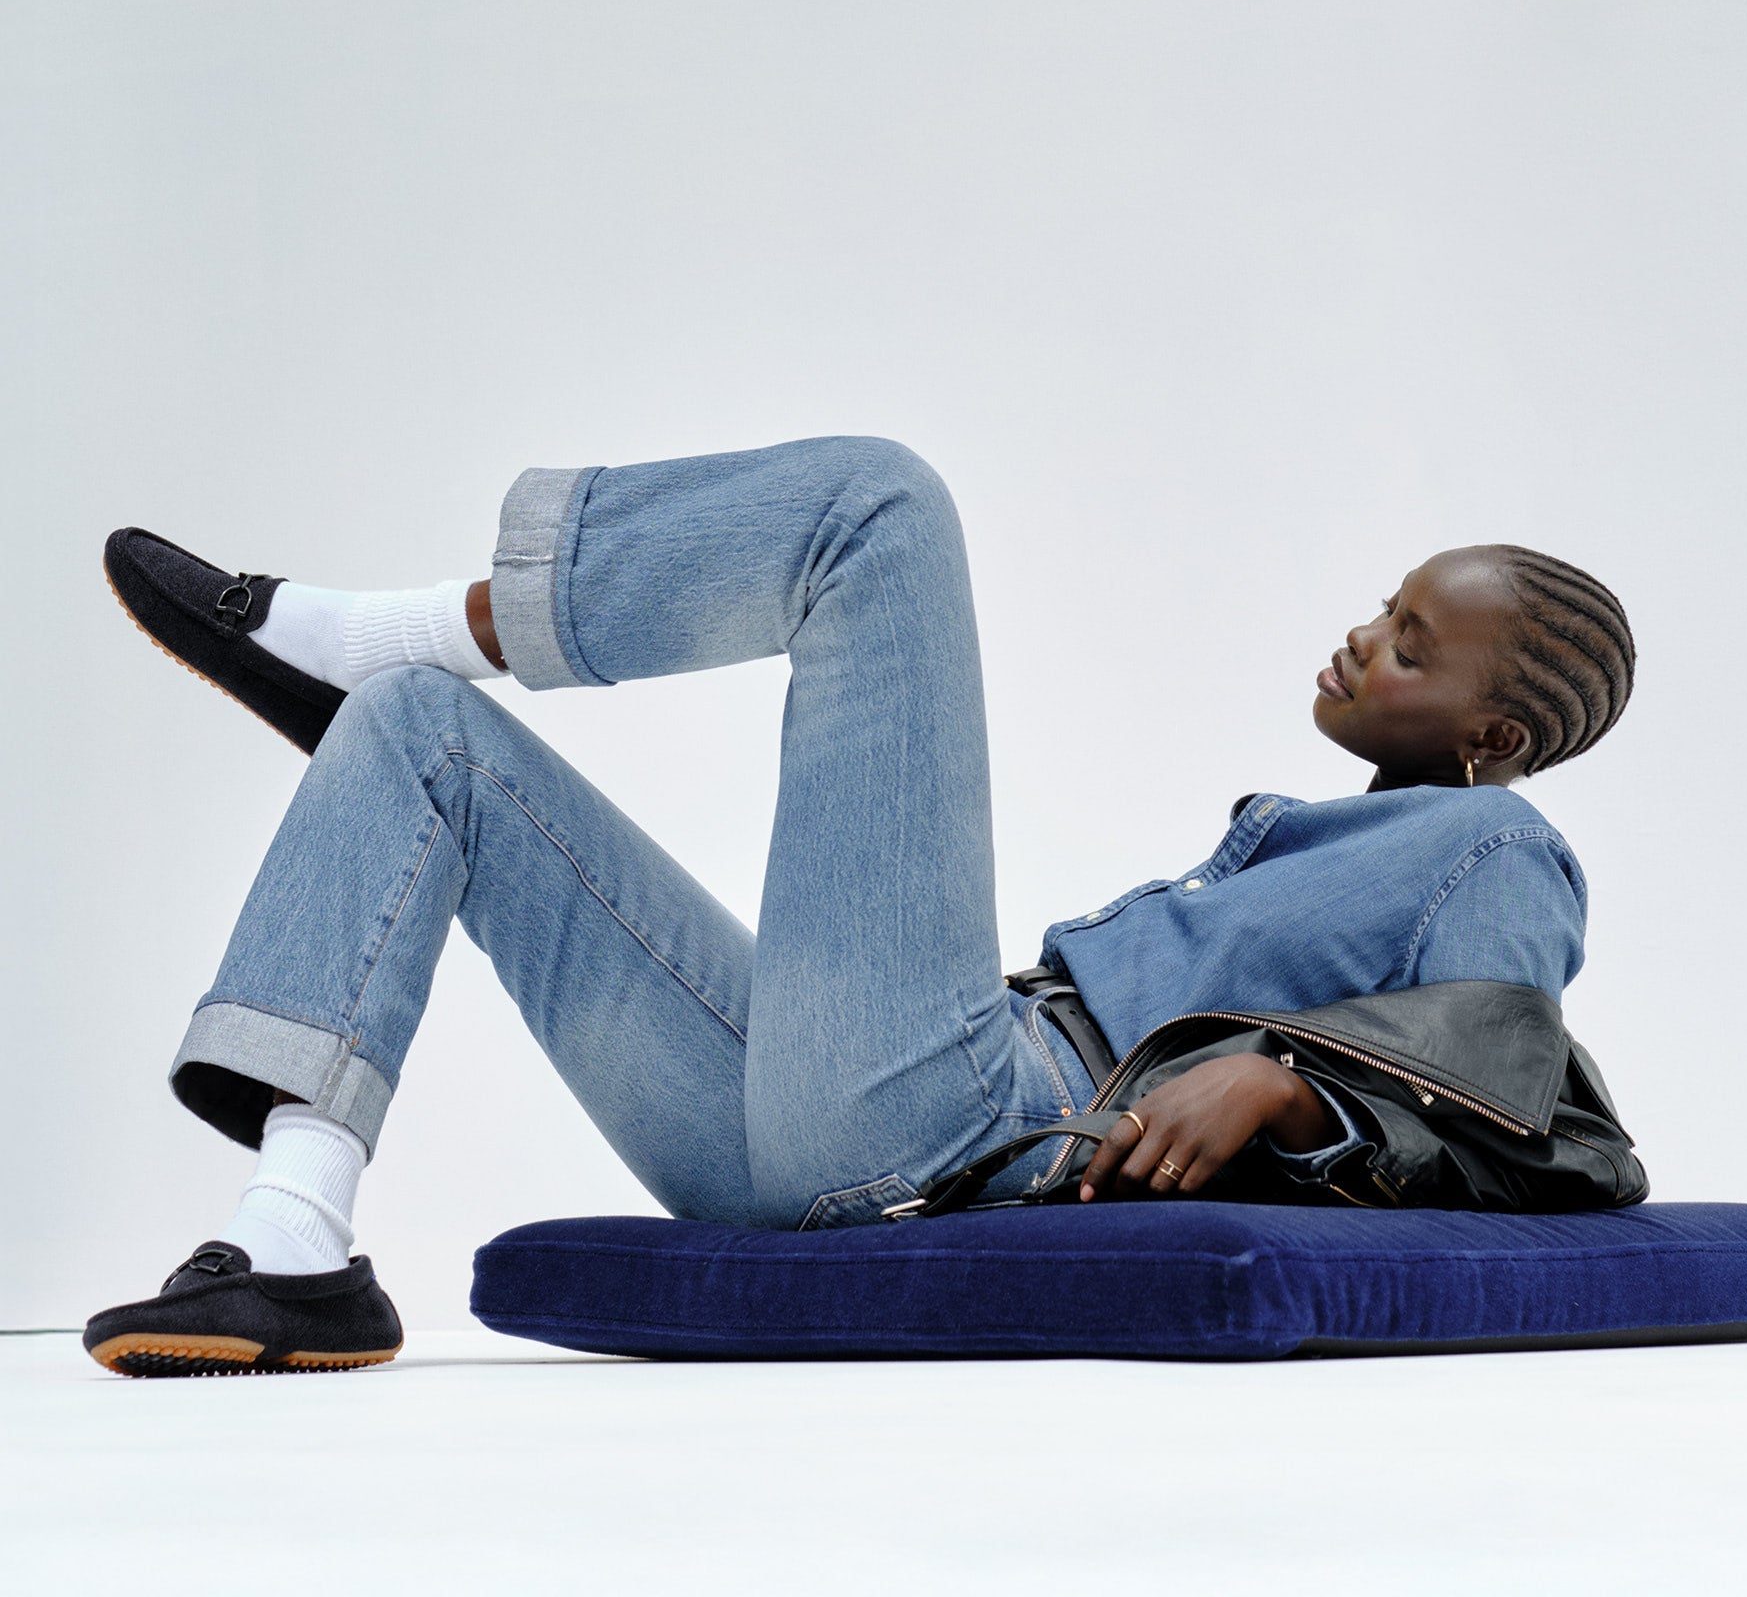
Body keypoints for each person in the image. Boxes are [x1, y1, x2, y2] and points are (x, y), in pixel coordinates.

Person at [83, 436, 1635, 1376]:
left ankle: (404, 624)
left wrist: (1287, 1086)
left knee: (880, 512)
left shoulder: (1497, 849)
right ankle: (295, 1240)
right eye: (1384, 609)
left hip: (981, 1123)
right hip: (832, 1135)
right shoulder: (1351, 834)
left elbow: (1513, 1094)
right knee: (420, 735)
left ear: (1497, 737)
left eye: (1412, 645)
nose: (1364, 639)